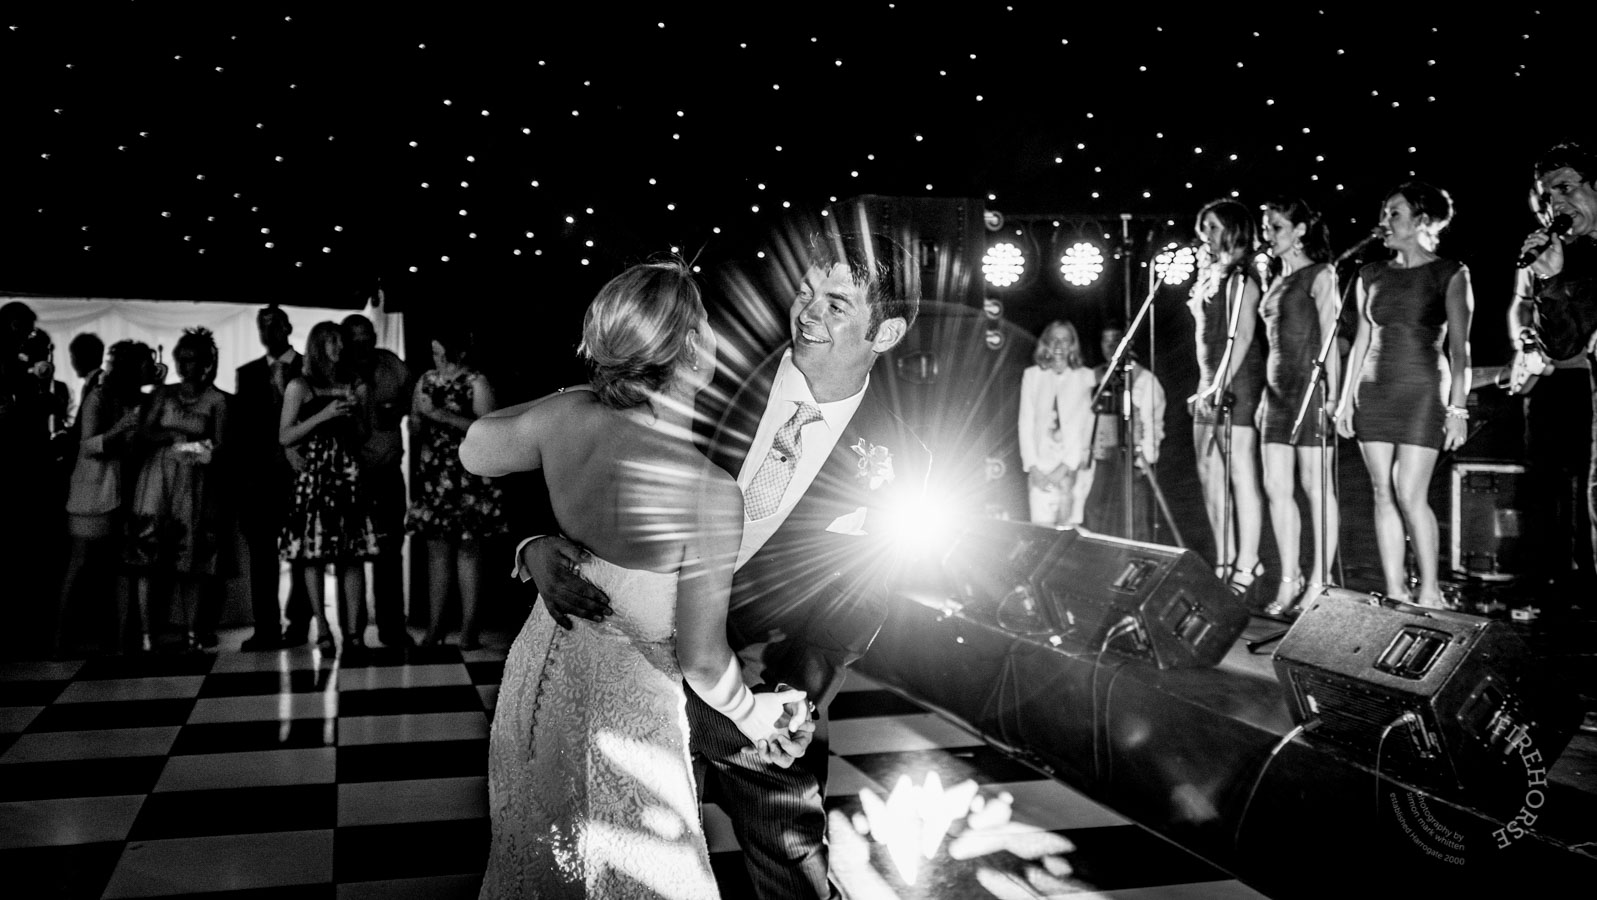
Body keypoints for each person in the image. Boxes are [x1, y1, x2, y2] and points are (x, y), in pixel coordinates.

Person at [475, 231, 927, 899]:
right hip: (624, 646)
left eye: (836, 305)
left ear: (885, 332)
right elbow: (575, 426)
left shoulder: (900, 456)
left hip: (756, 673)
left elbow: (860, 600)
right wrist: (534, 542)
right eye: (806, 291)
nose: (807, 312)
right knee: (610, 846)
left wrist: (797, 701)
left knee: (790, 855)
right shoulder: (705, 363)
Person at [462, 260, 810, 898]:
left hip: (539, 682)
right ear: (690, 350)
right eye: (706, 324)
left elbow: (475, 448)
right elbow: (703, 659)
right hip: (628, 722)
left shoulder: (569, 419)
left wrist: (577, 395)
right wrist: (752, 712)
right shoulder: (705, 490)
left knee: (542, 863)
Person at [1335, 182, 1474, 608]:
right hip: (1374, 389)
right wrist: (1344, 400)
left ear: (1422, 220)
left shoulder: (1450, 272)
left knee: (1411, 493)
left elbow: (1460, 349)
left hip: (1422, 390)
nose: (1385, 221)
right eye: (1385, 212)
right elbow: (1361, 340)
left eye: (1394, 213)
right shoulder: (1370, 273)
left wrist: (1458, 409)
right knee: (1382, 490)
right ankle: (1396, 590)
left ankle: (1430, 590)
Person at [1517, 142, 1597, 604]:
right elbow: (1565, 345)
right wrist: (1549, 280)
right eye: (1549, 196)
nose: (1557, 203)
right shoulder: (1575, 258)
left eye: (1566, 188)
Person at [1257, 198, 1343, 617]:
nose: (1268, 235)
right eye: (1266, 228)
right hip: (1276, 393)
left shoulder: (1321, 274)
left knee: (1315, 486)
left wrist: (1336, 396)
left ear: (1300, 230)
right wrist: (1263, 397)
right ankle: (1288, 578)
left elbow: (1331, 338)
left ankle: (1319, 581)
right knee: (1276, 486)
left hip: (1311, 389)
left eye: (1276, 227)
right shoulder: (1274, 278)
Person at [123, 327, 230, 651]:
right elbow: (143, 433)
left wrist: (198, 450)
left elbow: (221, 446)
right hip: (158, 475)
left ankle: (193, 632)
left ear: (205, 363)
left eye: (191, 359)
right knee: (147, 554)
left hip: (193, 480)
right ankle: (146, 633)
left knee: (191, 558)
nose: (184, 366)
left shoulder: (216, 399)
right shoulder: (163, 394)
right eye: (180, 358)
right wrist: (170, 438)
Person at [279, 321, 377, 652]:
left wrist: (358, 409)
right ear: (318, 346)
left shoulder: (354, 383)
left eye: (340, 341)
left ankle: (354, 633)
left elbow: (364, 434)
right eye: (332, 341)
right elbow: (285, 435)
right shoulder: (299, 385)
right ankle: (321, 626)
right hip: (315, 474)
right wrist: (325, 414)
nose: (340, 347)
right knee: (314, 555)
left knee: (353, 554)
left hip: (348, 472)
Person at [53, 340, 155, 656]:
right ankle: (60, 640)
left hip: (128, 489)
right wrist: (120, 429)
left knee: (123, 564)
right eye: (145, 363)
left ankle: (122, 639)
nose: (151, 368)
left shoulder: (142, 399)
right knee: (80, 563)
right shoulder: (99, 397)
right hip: (94, 491)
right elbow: (87, 445)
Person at [405, 325, 503, 649]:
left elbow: (489, 428)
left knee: (468, 550)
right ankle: (435, 628)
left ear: (457, 352)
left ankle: (469, 629)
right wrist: (417, 421)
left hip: (467, 473)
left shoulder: (476, 382)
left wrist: (441, 415)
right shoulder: (426, 380)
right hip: (434, 474)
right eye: (434, 354)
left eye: (442, 354)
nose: (438, 360)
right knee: (436, 552)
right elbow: (416, 423)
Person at [1188, 199, 1267, 595]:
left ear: (1234, 230)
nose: (1207, 234)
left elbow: (1244, 335)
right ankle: (1224, 558)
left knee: (1240, 474)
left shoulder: (1243, 276)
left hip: (1237, 384)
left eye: (1214, 227)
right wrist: (1206, 385)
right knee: (1210, 476)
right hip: (1209, 384)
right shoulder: (1210, 276)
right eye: (1204, 227)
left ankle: (1248, 563)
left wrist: (1219, 384)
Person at [234, 305, 311, 650]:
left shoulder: (308, 367)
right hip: (259, 479)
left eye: (274, 325)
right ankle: (266, 627)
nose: (268, 332)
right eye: (262, 326)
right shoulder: (248, 373)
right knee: (262, 558)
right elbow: (243, 430)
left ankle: (299, 624)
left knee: (302, 554)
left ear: (287, 328)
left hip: (299, 474)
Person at [343, 313, 414, 648]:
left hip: (386, 471)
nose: (361, 342)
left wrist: (397, 408)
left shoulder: (390, 364)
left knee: (389, 551)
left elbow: (413, 398)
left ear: (373, 336)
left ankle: (392, 629)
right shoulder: (338, 368)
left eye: (366, 335)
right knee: (350, 554)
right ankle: (352, 631)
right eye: (354, 337)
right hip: (348, 475)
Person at [1084, 322, 1166, 539]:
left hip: (1131, 460)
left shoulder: (1144, 380)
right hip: (1103, 460)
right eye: (1106, 341)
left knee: (1134, 520)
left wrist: (1144, 460)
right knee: (1095, 512)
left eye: (1116, 340)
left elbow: (1153, 424)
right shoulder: (1094, 377)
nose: (1110, 346)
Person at [1019, 320, 1096, 527]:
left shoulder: (1085, 377)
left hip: (1070, 469)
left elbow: (1085, 429)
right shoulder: (1032, 375)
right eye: (1054, 339)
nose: (1059, 345)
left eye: (1065, 340)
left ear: (1072, 345)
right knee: (1042, 535)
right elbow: (1025, 424)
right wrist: (1033, 468)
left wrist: (1064, 469)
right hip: (1040, 471)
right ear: (1046, 343)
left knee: (1068, 534)